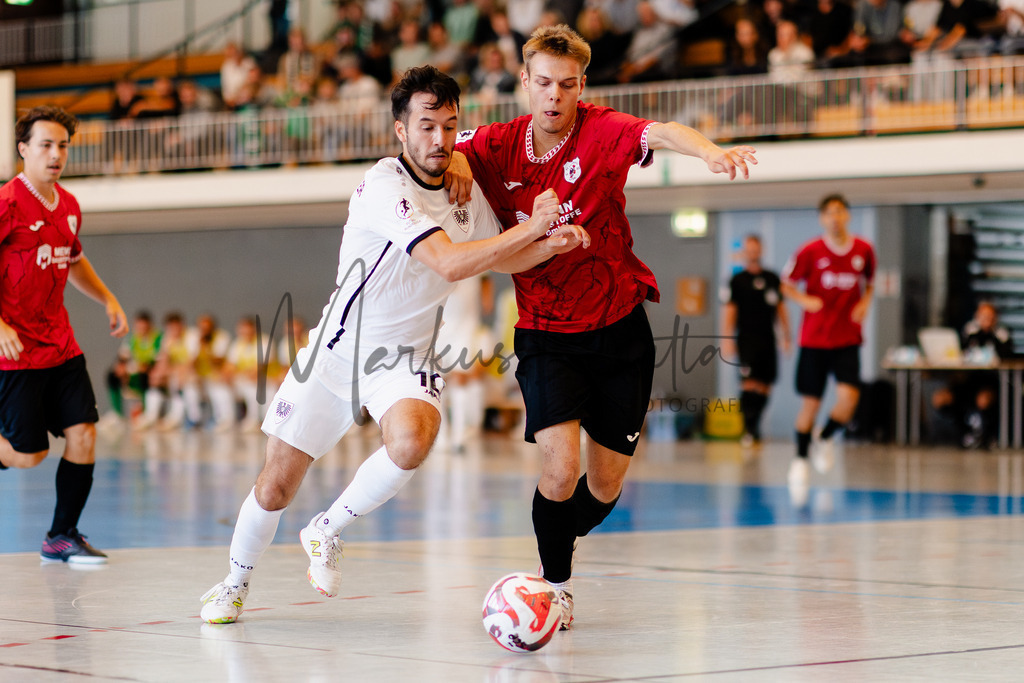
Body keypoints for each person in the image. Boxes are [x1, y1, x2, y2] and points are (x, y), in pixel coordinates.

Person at [198, 65, 589, 624]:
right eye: (426, 126)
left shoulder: (465, 192)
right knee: (276, 484)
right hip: (335, 352)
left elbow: (500, 256)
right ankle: (235, 583)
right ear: (401, 130)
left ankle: (326, 529)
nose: (440, 139)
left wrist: (554, 244)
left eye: (450, 127)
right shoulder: (384, 186)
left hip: (404, 359)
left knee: (411, 441)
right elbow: (450, 262)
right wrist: (532, 228)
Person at [449, 24, 756, 630]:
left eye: (567, 84)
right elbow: (437, 145)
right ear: (524, 83)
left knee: (605, 485)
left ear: (581, 85)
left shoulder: (603, 130)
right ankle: (554, 586)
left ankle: (559, 538)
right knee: (558, 468)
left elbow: (663, 132)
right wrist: (456, 164)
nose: (554, 96)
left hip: (619, 329)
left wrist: (710, 152)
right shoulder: (492, 143)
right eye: (543, 83)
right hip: (543, 332)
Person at [0, 106, 129, 564]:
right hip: (15, 354)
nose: (56, 155)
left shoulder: (69, 206)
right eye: (46, 145)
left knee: (84, 434)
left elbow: (73, 260)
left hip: (60, 345)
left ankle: (61, 535)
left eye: (63, 146)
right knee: (28, 455)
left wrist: (108, 297)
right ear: (23, 150)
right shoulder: (7, 203)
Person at [780, 194, 875, 493]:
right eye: (829, 213)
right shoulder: (810, 251)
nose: (835, 217)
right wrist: (804, 299)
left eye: (840, 212)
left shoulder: (864, 250)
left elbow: (870, 281)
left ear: (847, 215)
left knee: (848, 399)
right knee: (811, 403)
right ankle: (800, 460)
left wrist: (865, 304)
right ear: (822, 218)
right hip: (815, 339)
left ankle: (825, 436)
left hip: (847, 338)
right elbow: (785, 283)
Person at [721, 235, 791, 448]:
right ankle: (749, 429)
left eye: (756, 249)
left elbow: (780, 309)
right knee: (749, 384)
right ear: (744, 252)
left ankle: (755, 425)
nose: (753, 253)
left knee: (765, 385)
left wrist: (787, 336)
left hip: (768, 339)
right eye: (749, 249)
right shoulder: (737, 280)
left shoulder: (772, 278)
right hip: (746, 340)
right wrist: (727, 339)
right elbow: (730, 311)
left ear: (761, 250)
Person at [932, 301, 1013, 448]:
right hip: (967, 382)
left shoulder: (1001, 334)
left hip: (990, 383)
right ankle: (963, 433)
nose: (986, 320)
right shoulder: (969, 333)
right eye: (982, 316)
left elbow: (1007, 357)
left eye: (989, 316)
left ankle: (985, 435)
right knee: (941, 398)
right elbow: (957, 354)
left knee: (983, 399)